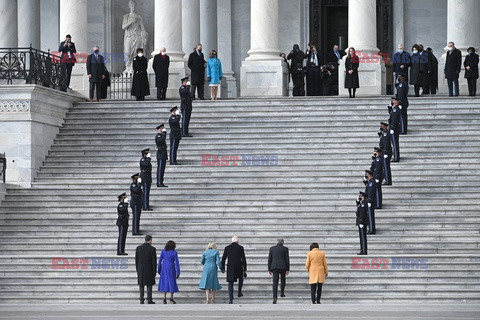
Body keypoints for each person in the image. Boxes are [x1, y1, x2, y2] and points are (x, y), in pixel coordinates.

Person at [122, 0, 148, 74]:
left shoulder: (139, 17)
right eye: (131, 5)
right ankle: (128, 67)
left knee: (136, 54)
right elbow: (123, 27)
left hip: (137, 36)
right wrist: (130, 22)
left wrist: (144, 34)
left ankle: (133, 68)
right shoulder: (126, 16)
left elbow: (143, 28)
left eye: (134, 6)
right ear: (129, 6)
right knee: (128, 53)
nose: (133, 7)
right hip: (129, 36)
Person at [221, 236, 247, 304]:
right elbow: (243, 259)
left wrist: (222, 267)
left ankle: (230, 299)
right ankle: (239, 291)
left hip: (230, 267)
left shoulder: (227, 248)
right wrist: (245, 269)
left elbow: (223, 258)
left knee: (230, 283)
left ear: (231, 241)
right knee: (241, 278)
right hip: (239, 266)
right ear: (237, 241)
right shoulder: (240, 247)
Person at [135, 235, 157, 304]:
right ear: (150, 240)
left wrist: (137, 269)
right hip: (149, 268)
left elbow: (136, 260)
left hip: (141, 268)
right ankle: (149, 299)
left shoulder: (138, 248)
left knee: (141, 284)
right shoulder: (152, 249)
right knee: (149, 285)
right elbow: (154, 261)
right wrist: (154, 271)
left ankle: (141, 298)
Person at [158, 240, 180, 304]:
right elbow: (177, 263)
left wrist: (159, 269)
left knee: (165, 281)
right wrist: (178, 272)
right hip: (171, 267)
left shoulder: (163, 251)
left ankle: (164, 297)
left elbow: (160, 261)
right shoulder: (174, 252)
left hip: (164, 267)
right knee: (172, 281)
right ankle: (171, 297)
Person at [268, 238, 290, 304]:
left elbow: (270, 259)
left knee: (275, 282)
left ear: (277, 242)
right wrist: (288, 269)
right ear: (283, 243)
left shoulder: (272, 248)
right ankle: (282, 292)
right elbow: (287, 259)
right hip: (283, 266)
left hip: (274, 266)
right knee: (283, 279)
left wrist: (269, 268)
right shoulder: (285, 249)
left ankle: (275, 298)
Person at [364, 170, 377, 234]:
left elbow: (371, 193)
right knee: (369, 215)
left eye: (367, 174)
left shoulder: (372, 183)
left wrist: (369, 201)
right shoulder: (370, 182)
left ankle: (372, 229)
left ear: (369, 175)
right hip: (368, 201)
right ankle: (370, 228)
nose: (366, 175)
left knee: (370, 215)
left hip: (370, 202)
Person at [389, 97, 402, 162]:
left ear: (396, 102)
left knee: (395, 143)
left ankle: (396, 157)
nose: (392, 102)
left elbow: (394, 120)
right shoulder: (395, 109)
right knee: (394, 143)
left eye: (393, 101)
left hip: (394, 128)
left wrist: (392, 128)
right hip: (394, 128)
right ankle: (396, 156)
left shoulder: (396, 110)